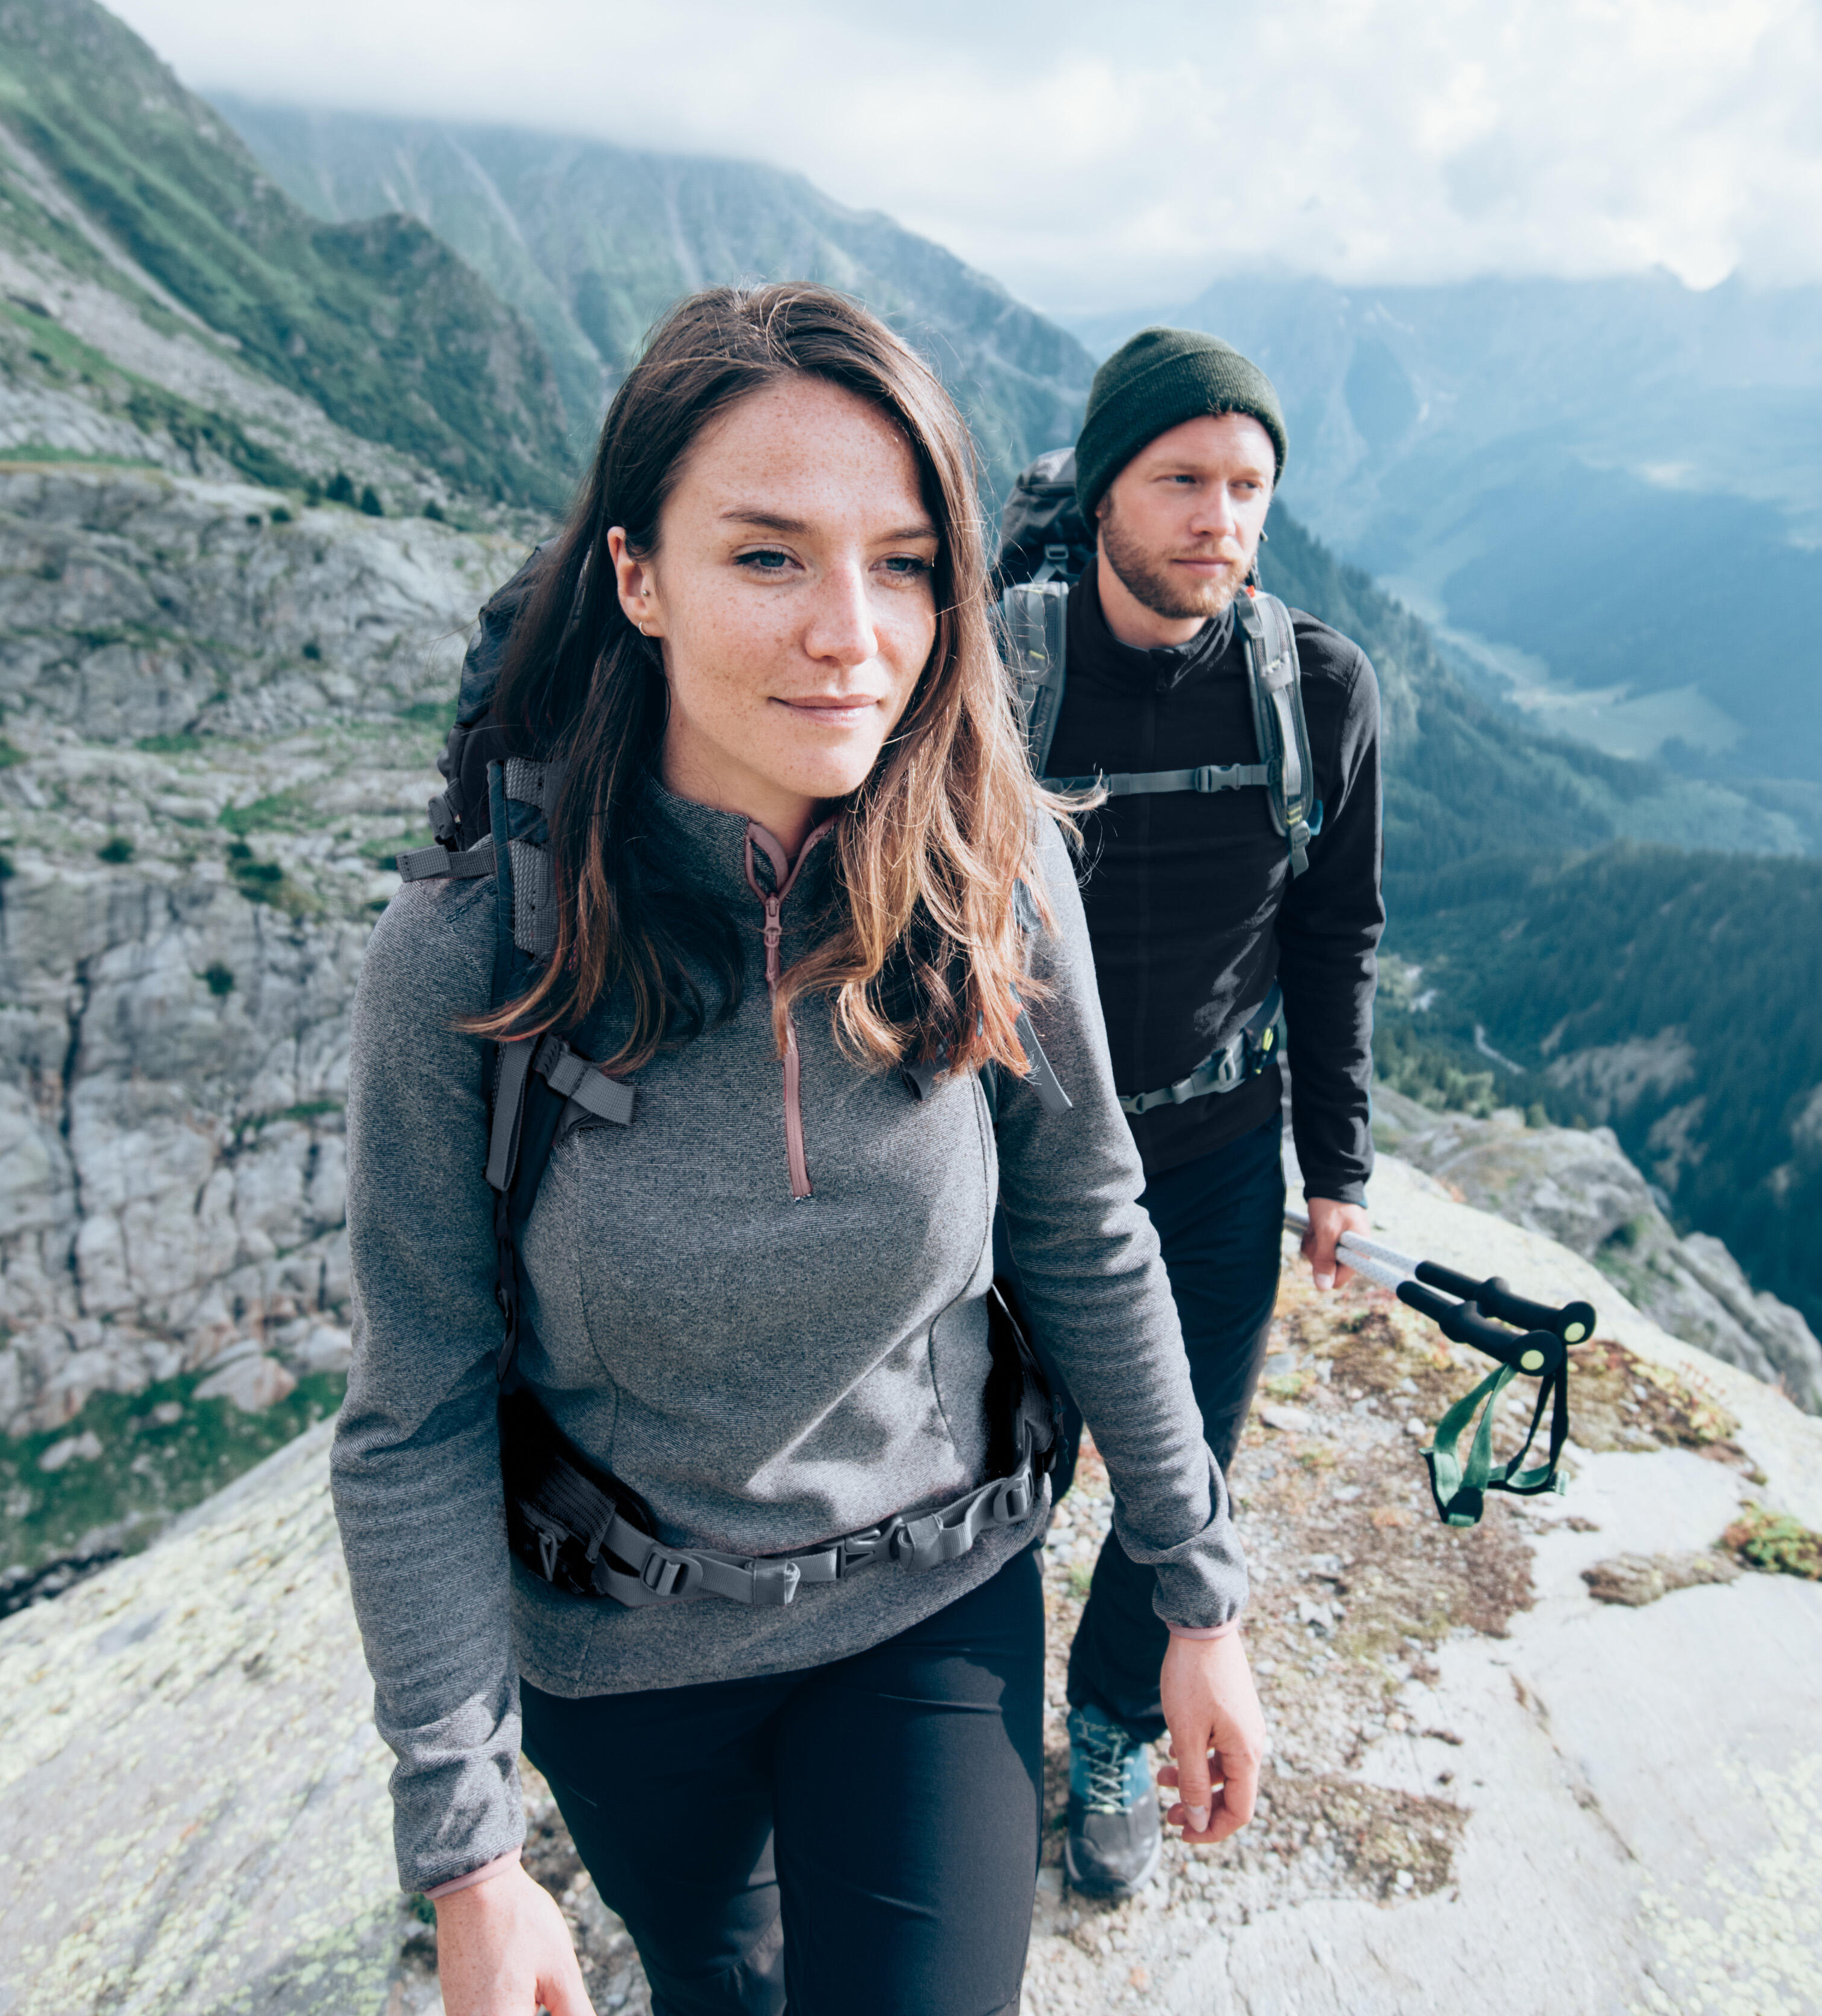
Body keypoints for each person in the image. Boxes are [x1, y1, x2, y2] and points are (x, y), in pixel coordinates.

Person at [331, 284, 1264, 2016]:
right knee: (728, 1989)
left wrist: (1195, 1593)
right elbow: (419, 1409)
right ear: (635, 576)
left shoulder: (986, 869)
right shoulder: (478, 953)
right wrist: (469, 1852)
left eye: (904, 563)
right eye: (768, 558)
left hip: (931, 1602)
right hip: (626, 1661)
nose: (853, 631)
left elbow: (1084, 1227)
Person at [1009, 328, 1384, 1899]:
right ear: (1106, 491)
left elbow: (1332, 936)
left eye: (1247, 487)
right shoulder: (993, 671)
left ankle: (1106, 1720)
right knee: (979, 1479)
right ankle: (934, 1734)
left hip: (1217, 1157)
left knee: (1188, 1482)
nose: (1218, 519)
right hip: (1011, 1164)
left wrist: (1334, 1169)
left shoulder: (1315, 688)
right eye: (1181, 481)